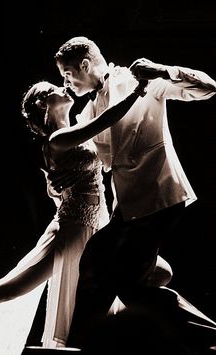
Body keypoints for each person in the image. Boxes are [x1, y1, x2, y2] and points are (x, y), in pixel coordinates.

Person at [0, 80, 172, 353]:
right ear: (42, 103)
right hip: (72, 230)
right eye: (54, 88)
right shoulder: (57, 139)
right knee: (3, 292)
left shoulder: (74, 131)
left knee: (160, 273)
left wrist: (55, 186)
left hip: (100, 224)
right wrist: (136, 91)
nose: (63, 87)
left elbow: (85, 167)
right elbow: (104, 121)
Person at [50, 36, 216, 350]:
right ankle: (82, 343)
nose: (66, 81)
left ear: (85, 65)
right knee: (100, 265)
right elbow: (88, 160)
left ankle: (207, 335)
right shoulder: (86, 114)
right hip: (127, 208)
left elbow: (208, 88)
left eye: (67, 73)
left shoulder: (139, 81)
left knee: (119, 276)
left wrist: (163, 70)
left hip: (159, 196)